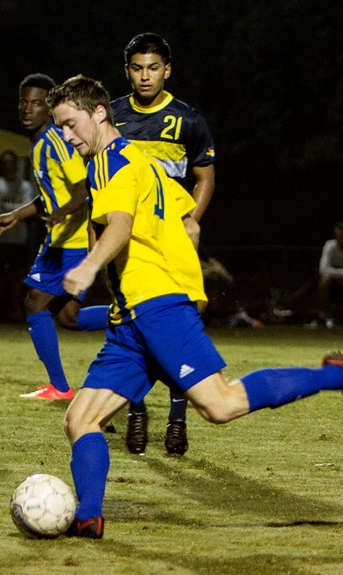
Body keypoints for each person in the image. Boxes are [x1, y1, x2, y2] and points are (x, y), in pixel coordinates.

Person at [48, 74, 343, 540]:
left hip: (158, 304)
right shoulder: (138, 161)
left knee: (221, 405)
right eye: (61, 129)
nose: (67, 137)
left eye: (70, 125)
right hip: (133, 314)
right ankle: (89, 517)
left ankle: (339, 374)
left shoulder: (113, 160)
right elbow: (187, 222)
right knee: (81, 418)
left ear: (99, 113)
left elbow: (122, 225)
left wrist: (89, 268)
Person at [110, 32, 217, 455]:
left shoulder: (188, 119)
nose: (145, 76)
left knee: (174, 327)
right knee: (129, 325)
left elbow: (205, 178)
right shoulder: (112, 117)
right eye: (137, 68)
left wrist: (191, 219)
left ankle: (177, 419)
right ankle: (136, 412)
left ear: (167, 70)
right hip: (127, 240)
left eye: (153, 68)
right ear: (127, 71)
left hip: (170, 238)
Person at [0, 73, 107, 400]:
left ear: (49, 107)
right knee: (70, 317)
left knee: (34, 302)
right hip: (61, 239)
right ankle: (130, 314)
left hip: (72, 241)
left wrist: (62, 214)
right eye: (24, 102)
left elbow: (84, 189)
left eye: (36, 103)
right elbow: (49, 195)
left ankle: (60, 387)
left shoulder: (56, 141)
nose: (27, 108)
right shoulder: (39, 144)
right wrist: (15, 215)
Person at [0, 149, 38, 324]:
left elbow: (30, 208)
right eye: (4, 162)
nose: (8, 166)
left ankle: (16, 312)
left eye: (11, 162)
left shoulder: (26, 186)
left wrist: (5, 207)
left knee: (17, 278)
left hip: (18, 239)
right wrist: (17, 210)